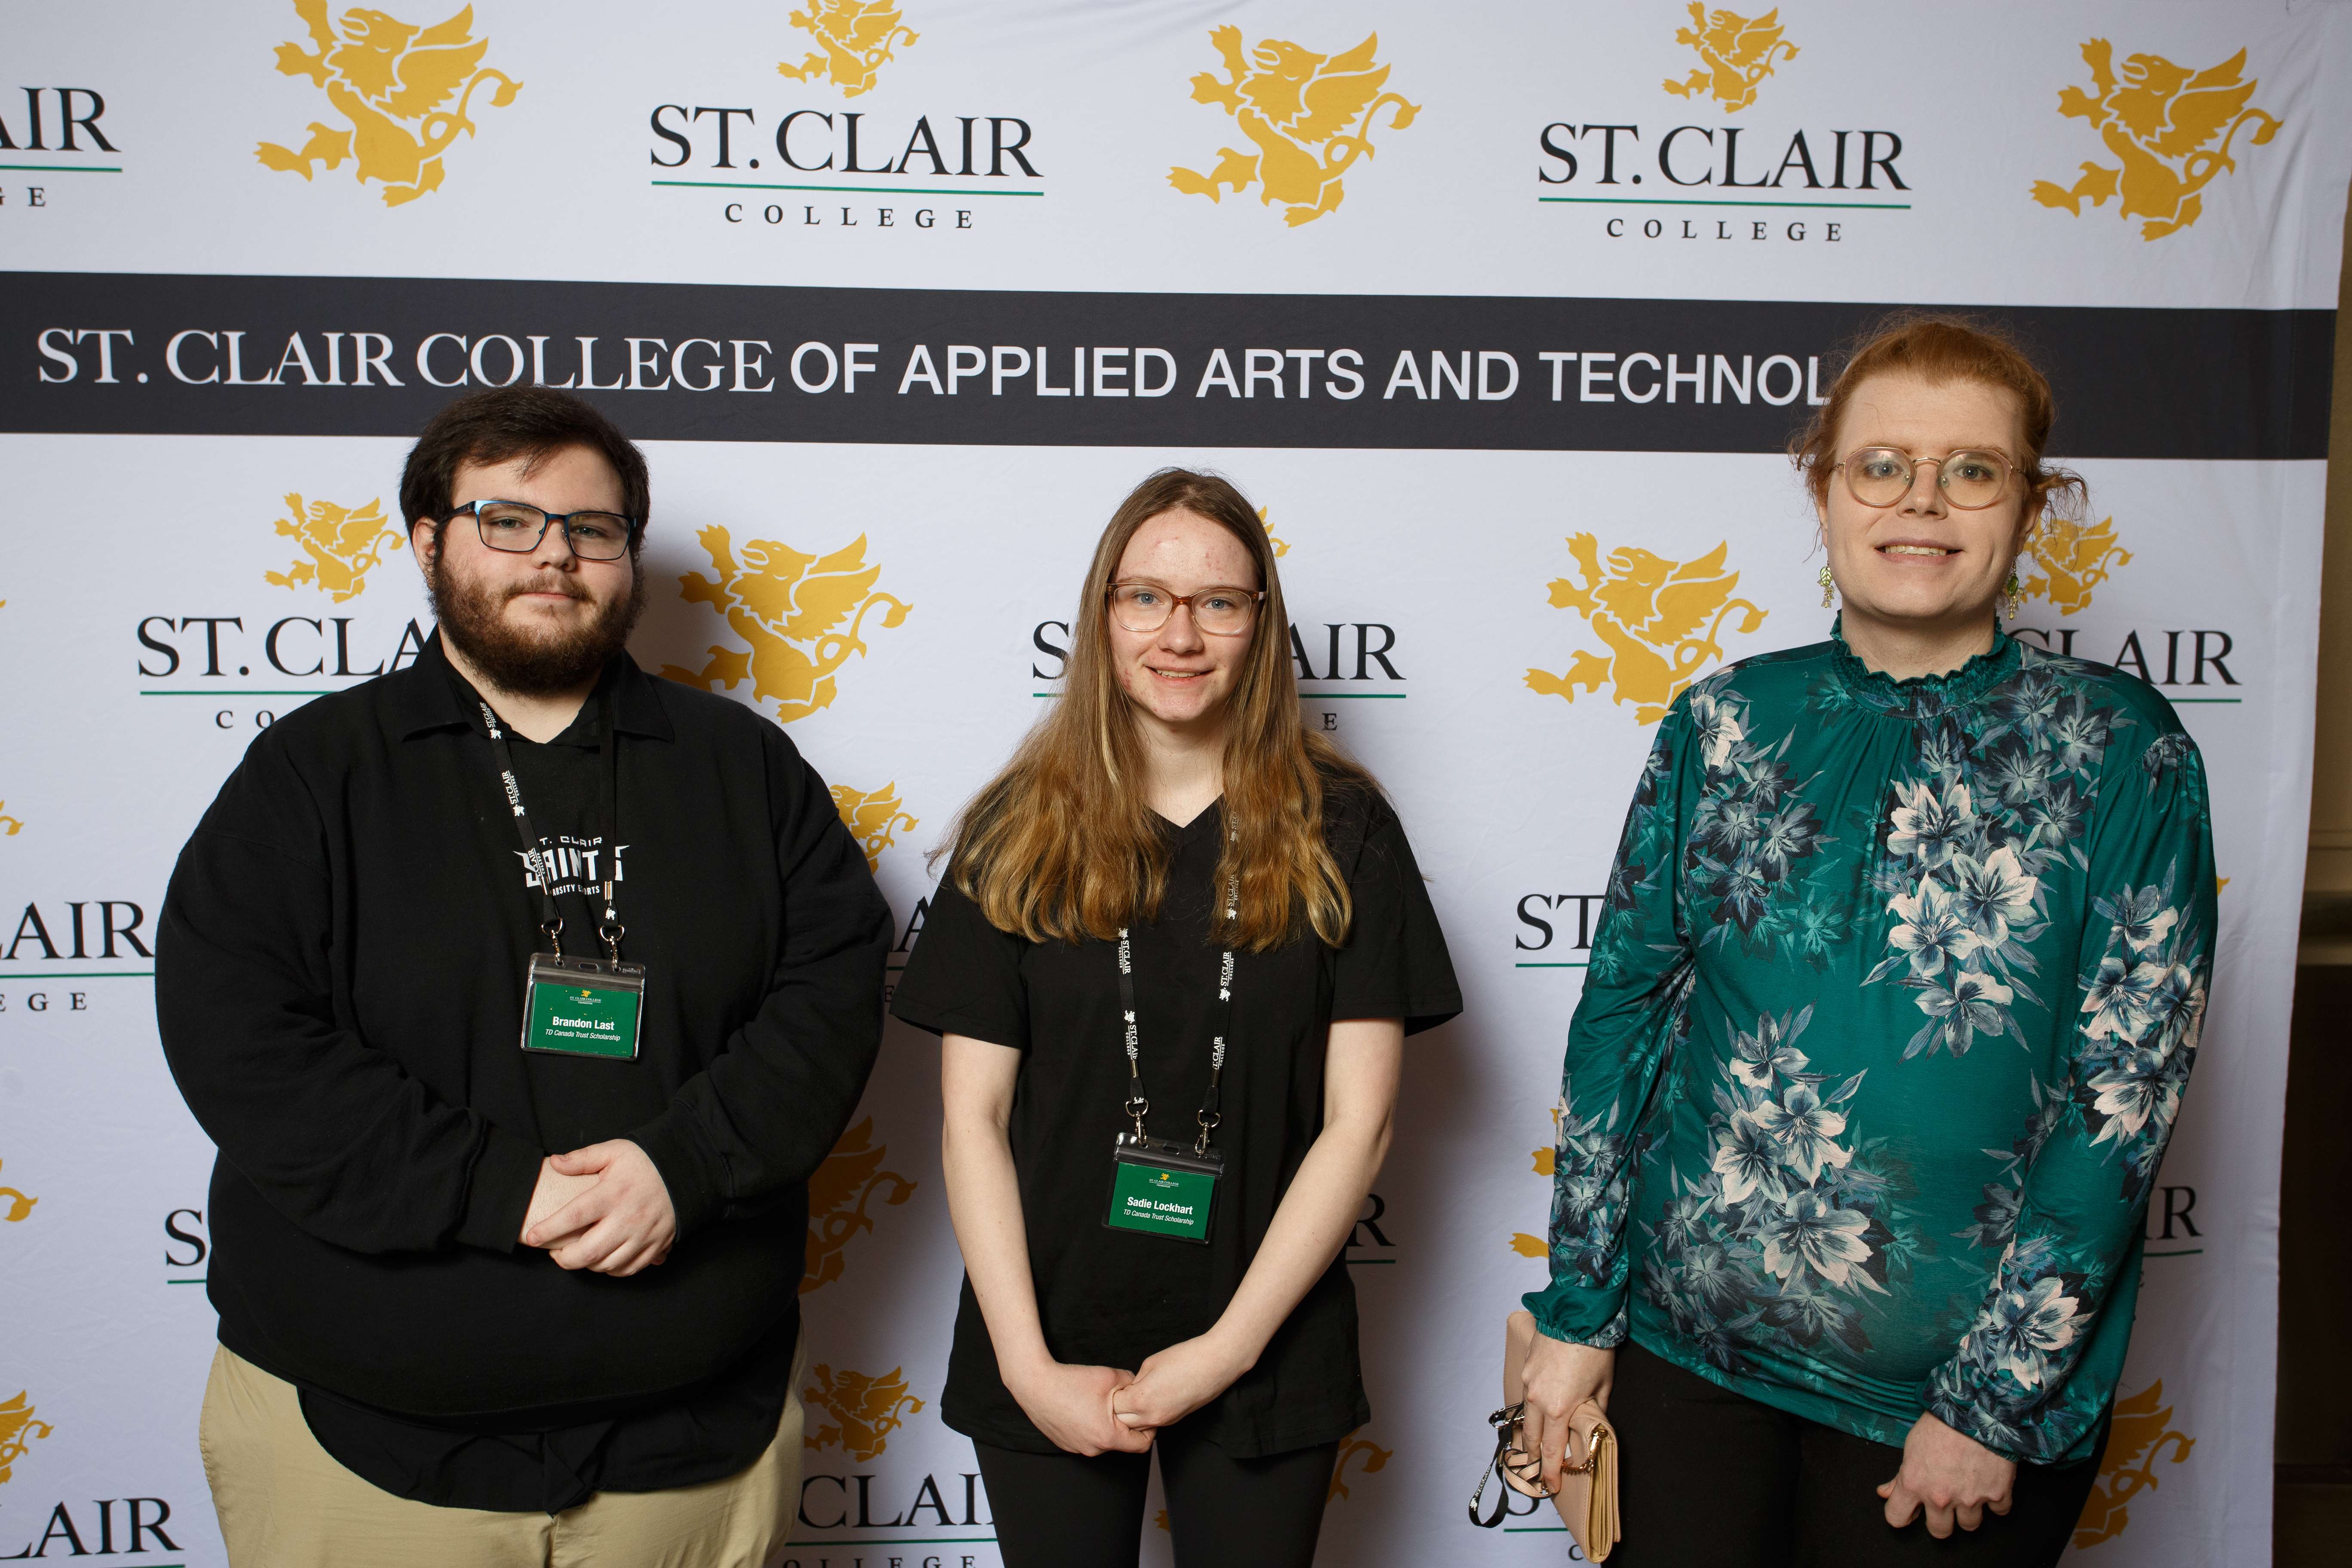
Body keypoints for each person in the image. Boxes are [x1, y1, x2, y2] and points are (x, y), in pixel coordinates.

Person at [1515, 317, 2215, 1567]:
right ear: (1825, 488)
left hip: (1946, 1409)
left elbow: (2124, 1097)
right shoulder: (1725, 722)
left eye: (1972, 470)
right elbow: (1623, 1021)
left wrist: (1991, 1404)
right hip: (1684, 1357)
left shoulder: (2124, 750)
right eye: (1882, 465)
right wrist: (1577, 1312)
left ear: (2031, 503)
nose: (1922, 502)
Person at [156, 386, 892, 1567]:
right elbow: (240, 1035)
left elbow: (832, 996)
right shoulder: (312, 772)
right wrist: (500, 1191)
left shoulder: (744, 769)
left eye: (592, 529)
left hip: (693, 1434)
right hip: (361, 1438)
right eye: (508, 520)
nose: (555, 554)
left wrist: (686, 1164)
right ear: (427, 542)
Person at [889, 469, 1460, 1567]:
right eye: (1146, 597)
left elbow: (1362, 1126)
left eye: (1219, 603)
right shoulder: (1016, 829)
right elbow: (973, 1121)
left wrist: (1226, 1352)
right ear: (1103, 615)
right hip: (1046, 1335)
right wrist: (1025, 1365)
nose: (1180, 635)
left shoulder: (1347, 832)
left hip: (1267, 1344)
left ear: (1262, 624)